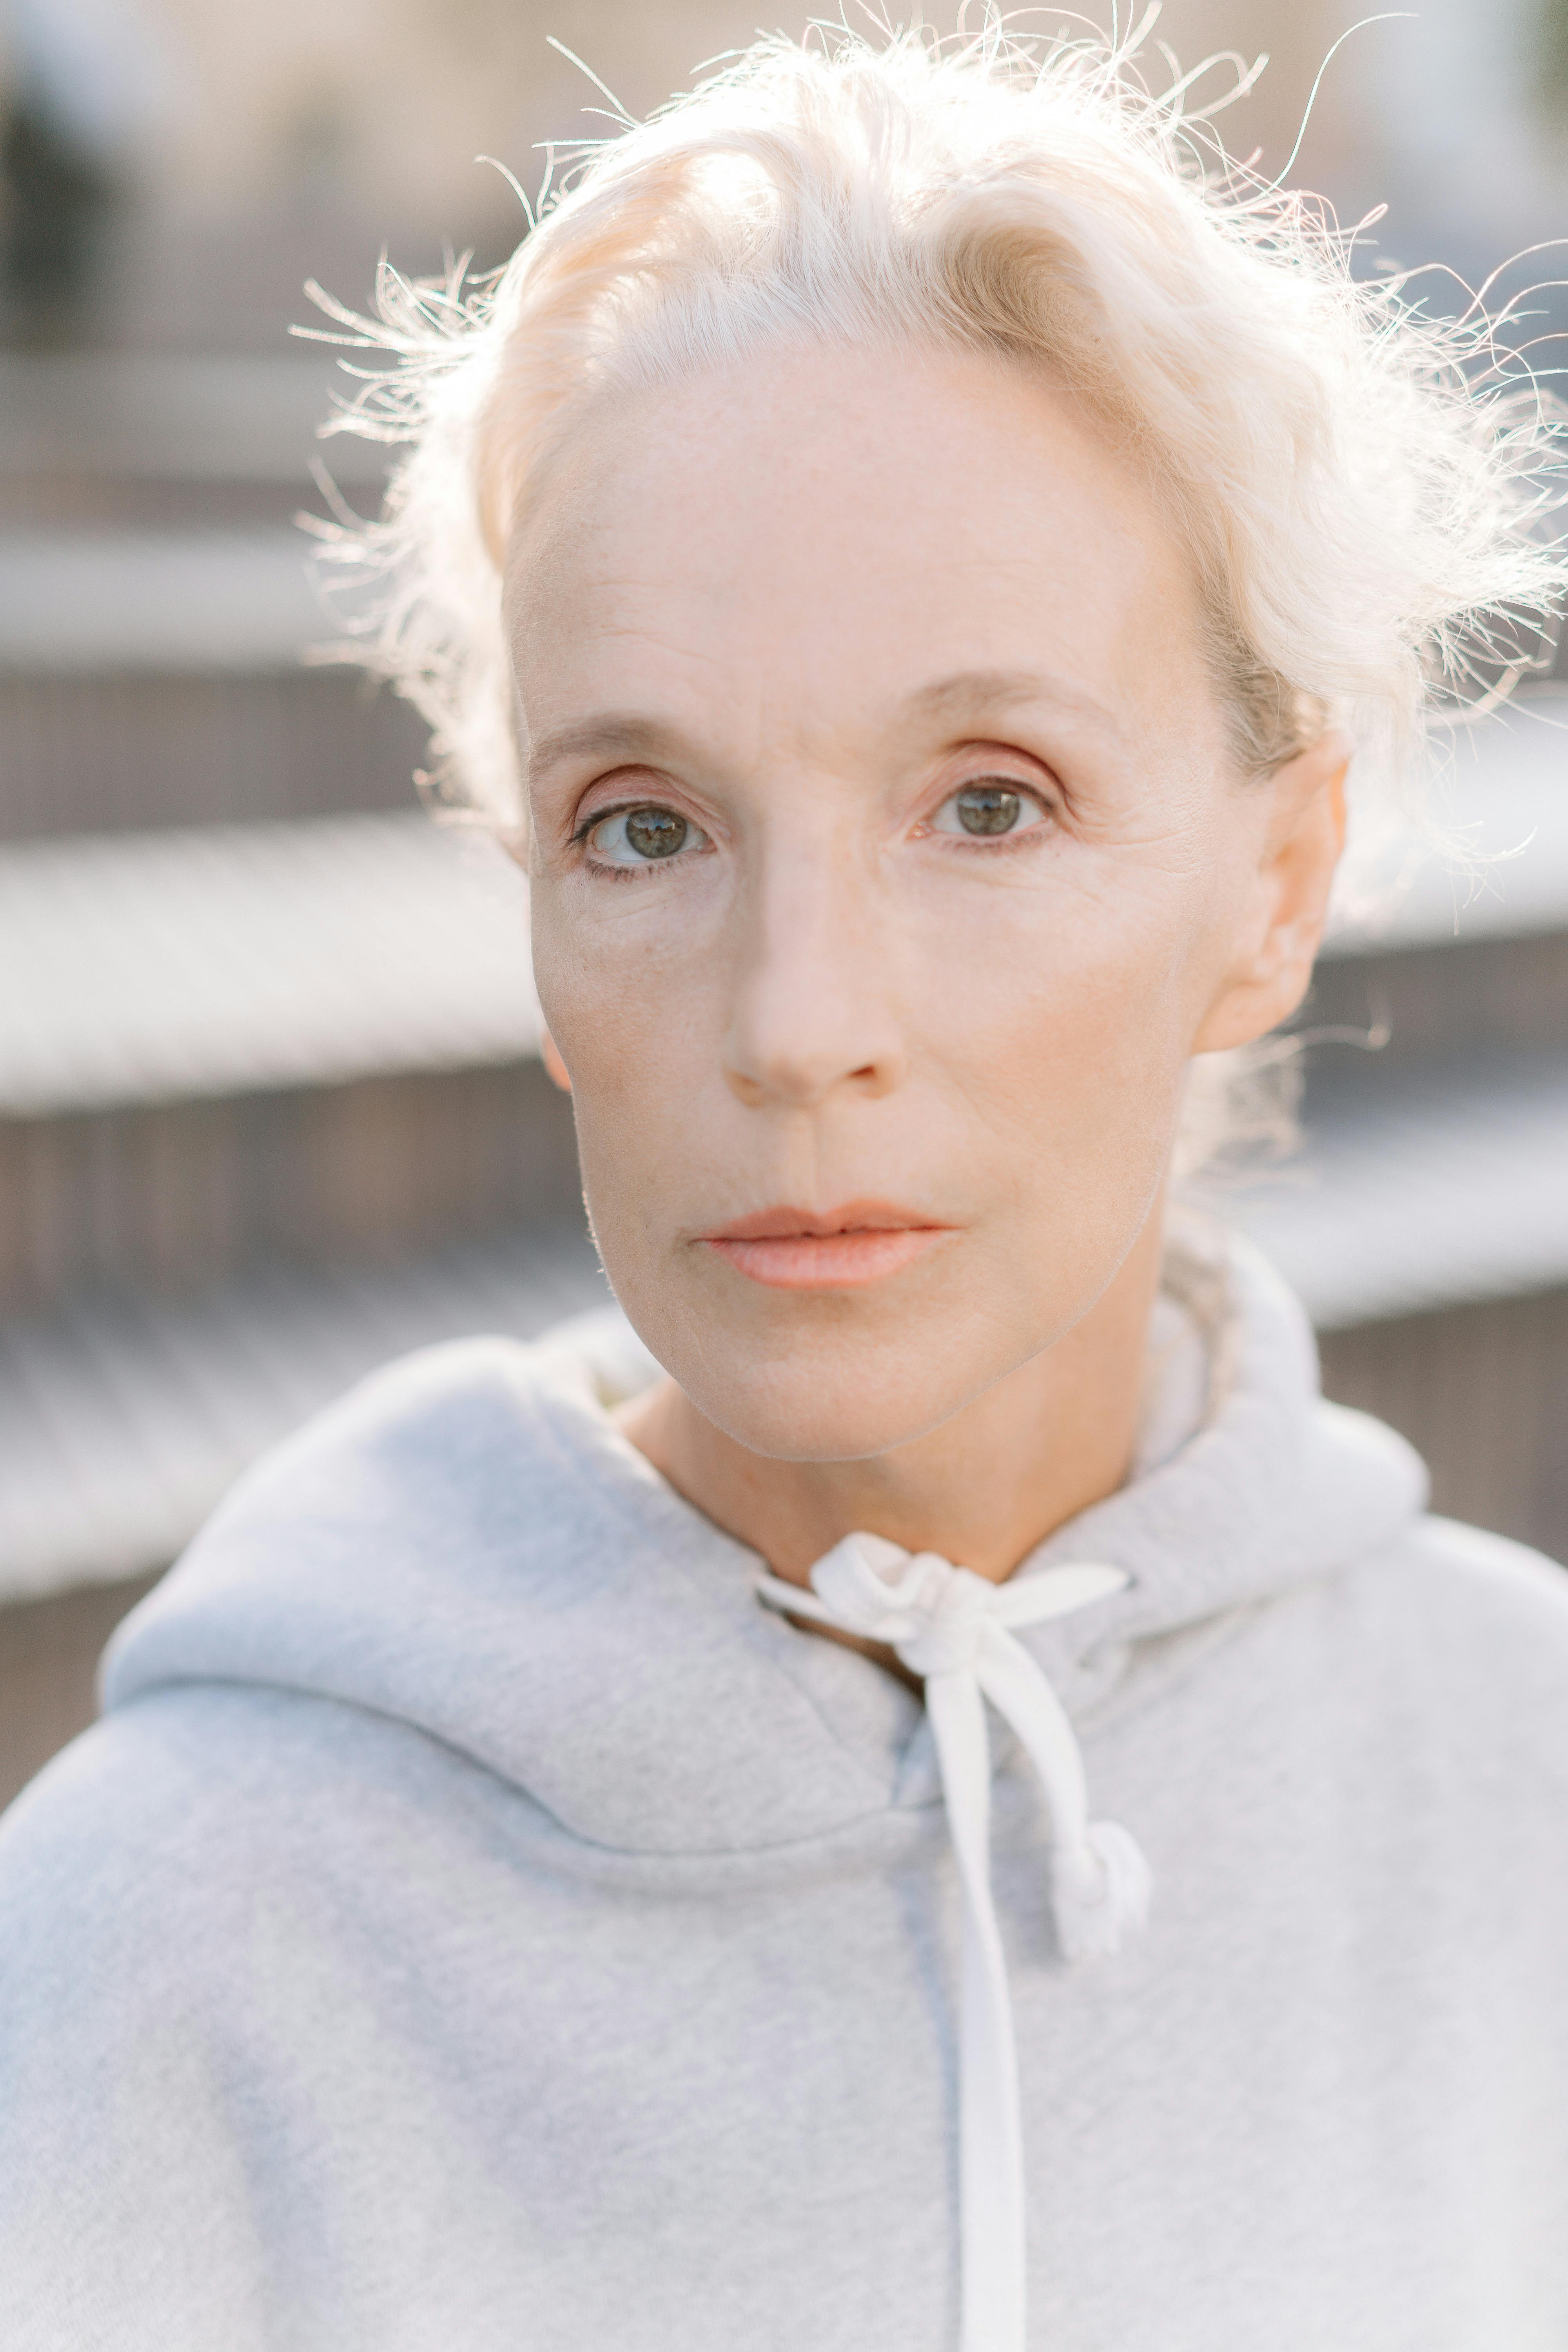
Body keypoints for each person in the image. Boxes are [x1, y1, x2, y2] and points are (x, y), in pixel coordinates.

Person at [3, 23, 1567, 2351]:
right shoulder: (141, 1960)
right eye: (644, 827)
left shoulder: (1525, 1785)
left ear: (1278, 883)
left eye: (992, 800)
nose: (791, 1018)